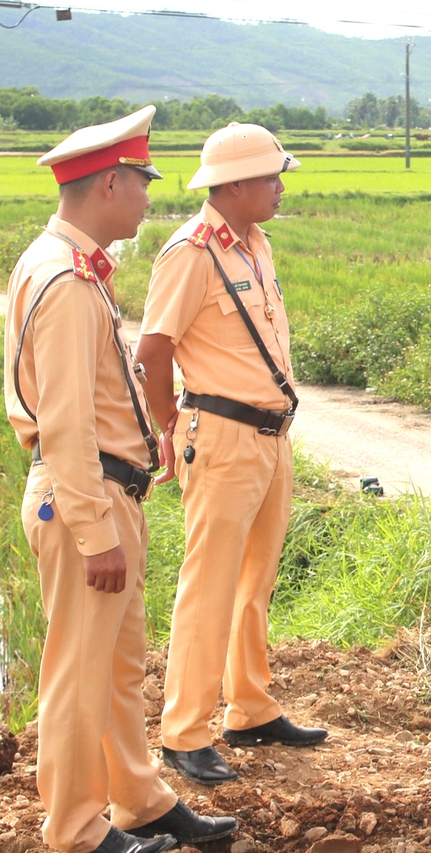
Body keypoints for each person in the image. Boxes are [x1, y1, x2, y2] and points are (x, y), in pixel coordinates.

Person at [5, 106, 235, 853]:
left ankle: (135, 799)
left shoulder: (62, 266)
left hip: (106, 490)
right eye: (141, 182)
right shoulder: (67, 282)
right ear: (109, 184)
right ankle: (74, 827)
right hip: (87, 499)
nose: (147, 197)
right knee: (79, 672)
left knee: (116, 664)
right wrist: (94, 531)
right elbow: (67, 422)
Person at [135, 123, 327, 786]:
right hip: (218, 434)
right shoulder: (190, 254)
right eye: (272, 176)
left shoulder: (258, 244)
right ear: (236, 184)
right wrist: (167, 424)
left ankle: (249, 707)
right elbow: (152, 354)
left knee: (256, 580)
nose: (280, 186)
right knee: (209, 584)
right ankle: (184, 731)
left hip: (272, 435)